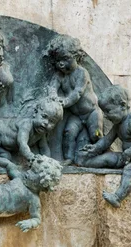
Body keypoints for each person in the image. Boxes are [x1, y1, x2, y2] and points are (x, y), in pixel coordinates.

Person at [78, 85, 131, 207]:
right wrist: (95, 148)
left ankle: (117, 197)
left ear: (122, 105)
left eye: (108, 111)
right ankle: (85, 162)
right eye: (104, 112)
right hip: (128, 156)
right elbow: (106, 140)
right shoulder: (118, 125)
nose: (105, 116)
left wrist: (128, 154)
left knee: (129, 171)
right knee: (107, 158)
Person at [46, 35, 103, 166]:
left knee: (96, 133)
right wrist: (53, 96)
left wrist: (64, 102)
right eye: (58, 60)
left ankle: (101, 150)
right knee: (68, 133)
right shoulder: (59, 75)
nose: (61, 64)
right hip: (77, 116)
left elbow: (78, 92)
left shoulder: (82, 73)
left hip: (91, 113)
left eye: (65, 59)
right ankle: (69, 158)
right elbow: (52, 87)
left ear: (76, 56)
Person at [0, 97, 63, 162]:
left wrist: (49, 162)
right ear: (35, 112)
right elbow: (22, 143)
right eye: (44, 116)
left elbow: (44, 148)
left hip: (3, 146)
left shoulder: (40, 135)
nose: (46, 123)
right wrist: (30, 157)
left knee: (6, 157)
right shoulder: (26, 125)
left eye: (51, 122)